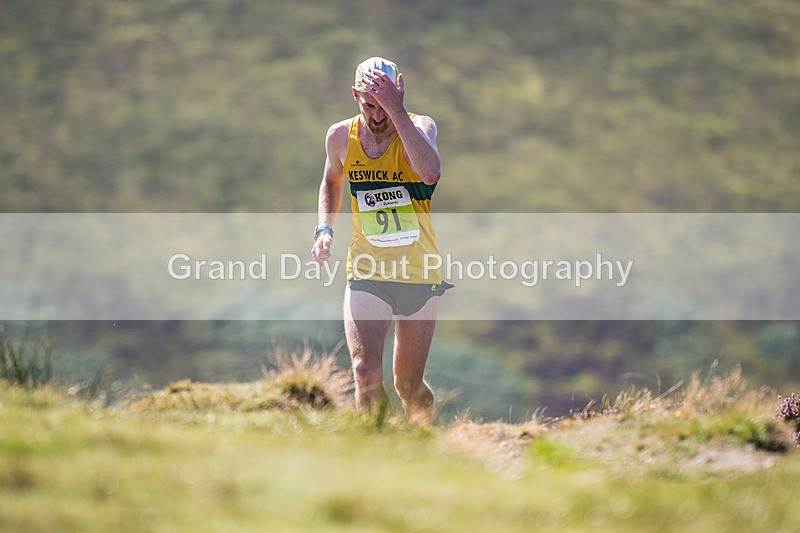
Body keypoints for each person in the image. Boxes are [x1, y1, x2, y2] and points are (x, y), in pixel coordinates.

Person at [311, 56, 451, 424]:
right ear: (356, 96)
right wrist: (324, 229)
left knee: (408, 385)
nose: (377, 116)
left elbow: (431, 171)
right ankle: (376, 452)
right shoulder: (340, 136)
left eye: (384, 105)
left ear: (400, 91)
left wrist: (397, 110)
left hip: (418, 272)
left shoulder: (420, 126)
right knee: (364, 371)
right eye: (369, 105)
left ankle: (421, 440)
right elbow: (331, 181)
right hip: (367, 268)